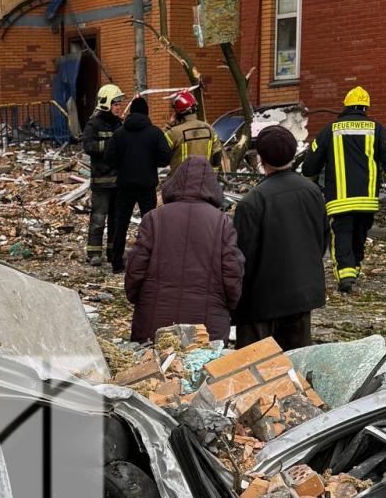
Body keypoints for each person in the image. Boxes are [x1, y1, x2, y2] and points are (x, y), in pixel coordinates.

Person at [123, 154, 243, 343]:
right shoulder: (222, 223)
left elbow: (136, 266)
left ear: (175, 183)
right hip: (206, 327)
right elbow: (232, 272)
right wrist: (228, 305)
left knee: (151, 370)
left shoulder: (154, 218)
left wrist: (137, 298)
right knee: (203, 370)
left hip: (154, 322)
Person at [232, 123, 329, 351]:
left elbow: (242, 257)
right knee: (295, 369)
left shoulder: (252, 202)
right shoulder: (312, 192)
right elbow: (322, 239)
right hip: (302, 295)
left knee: (252, 370)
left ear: (261, 159)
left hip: (260, 303)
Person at [303, 86, 386, 294]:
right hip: (366, 200)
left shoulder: (331, 130)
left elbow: (311, 163)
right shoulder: (377, 130)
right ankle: (354, 269)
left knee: (341, 235)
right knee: (359, 235)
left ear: (346, 106)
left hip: (339, 201)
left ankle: (346, 275)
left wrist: (309, 184)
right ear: (365, 107)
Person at [103, 95, 171, 273]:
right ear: (146, 113)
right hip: (147, 185)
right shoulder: (155, 133)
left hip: (124, 185)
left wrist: (122, 165)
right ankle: (150, 262)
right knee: (149, 225)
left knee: (121, 224)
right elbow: (165, 158)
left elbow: (109, 158)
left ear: (131, 112)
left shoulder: (119, 133)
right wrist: (150, 161)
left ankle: (117, 262)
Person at [79, 83, 125, 265]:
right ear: (106, 104)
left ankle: (113, 252)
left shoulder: (119, 124)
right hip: (101, 181)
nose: (119, 107)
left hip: (118, 181)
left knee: (115, 219)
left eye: (119, 103)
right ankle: (94, 253)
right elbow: (88, 146)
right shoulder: (93, 124)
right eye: (116, 103)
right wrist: (111, 146)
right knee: (98, 219)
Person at [166, 88, 221, 168]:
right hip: (204, 178)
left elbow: (161, 152)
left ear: (177, 112)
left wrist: (169, 125)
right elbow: (217, 155)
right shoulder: (210, 129)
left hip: (181, 179)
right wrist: (212, 174)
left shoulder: (174, 132)